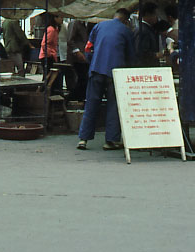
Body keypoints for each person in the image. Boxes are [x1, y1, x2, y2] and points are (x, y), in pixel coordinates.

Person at [76, 8, 135, 151]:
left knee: (91, 103)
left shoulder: (99, 26)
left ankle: (83, 139)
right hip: (115, 72)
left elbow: (88, 48)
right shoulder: (126, 31)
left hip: (96, 69)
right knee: (114, 106)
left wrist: (93, 61)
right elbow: (131, 55)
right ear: (126, 20)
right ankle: (111, 141)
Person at [38, 13, 64, 94]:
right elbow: (44, 44)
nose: (62, 19)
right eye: (60, 17)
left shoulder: (55, 29)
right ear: (55, 18)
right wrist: (51, 54)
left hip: (50, 56)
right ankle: (44, 95)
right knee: (49, 78)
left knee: (51, 78)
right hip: (47, 57)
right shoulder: (51, 29)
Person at [65, 19, 89, 102]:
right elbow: (70, 40)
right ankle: (72, 98)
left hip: (85, 56)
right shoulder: (75, 23)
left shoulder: (89, 23)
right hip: (76, 58)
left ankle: (79, 98)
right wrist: (77, 51)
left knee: (84, 79)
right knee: (81, 78)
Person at [134, 2, 160, 67]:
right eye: (155, 14)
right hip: (145, 68)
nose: (156, 17)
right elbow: (141, 52)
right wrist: (156, 55)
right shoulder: (143, 31)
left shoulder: (148, 29)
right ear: (148, 14)